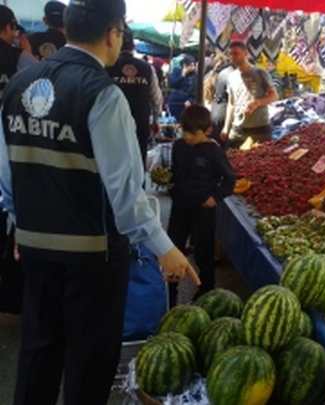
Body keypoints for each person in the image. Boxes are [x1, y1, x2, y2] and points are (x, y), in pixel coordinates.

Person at [0, 0, 200, 403]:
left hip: (37, 249)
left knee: (39, 352)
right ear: (113, 33)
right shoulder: (102, 95)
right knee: (89, 361)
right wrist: (164, 248)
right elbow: (126, 194)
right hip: (94, 257)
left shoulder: (18, 87)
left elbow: (7, 177)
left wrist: (20, 223)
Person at [168, 105, 235, 307]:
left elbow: (229, 180)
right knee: (173, 248)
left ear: (206, 131)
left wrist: (215, 197)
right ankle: (169, 291)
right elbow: (175, 172)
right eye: (184, 132)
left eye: (192, 134)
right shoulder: (178, 146)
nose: (187, 137)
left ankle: (206, 291)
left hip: (203, 211)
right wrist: (169, 182)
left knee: (203, 252)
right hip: (180, 207)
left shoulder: (214, 151)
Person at [107, 27, 163, 166]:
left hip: (113, 122)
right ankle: (138, 187)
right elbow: (156, 98)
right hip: (140, 122)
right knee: (138, 161)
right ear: (133, 46)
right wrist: (156, 120)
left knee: (115, 164)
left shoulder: (107, 67)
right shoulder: (146, 67)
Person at [222, 41, 278, 148]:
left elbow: (274, 96)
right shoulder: (231, 76)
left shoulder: (260, 73)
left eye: (236, 53)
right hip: (238, 128)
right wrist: (226, 127)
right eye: (231, 54)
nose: (232, 57)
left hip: (260, 127)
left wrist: (257, 103)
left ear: (245, 53)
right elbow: (231, 104)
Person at [0, 6, 37, 101]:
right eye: (15, 29)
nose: (15, 35)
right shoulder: (19, 55)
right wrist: (27, 53)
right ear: (8, 27)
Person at [167, 54, 198, 120]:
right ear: (185, 65)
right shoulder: (176, 71)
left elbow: (196, 90)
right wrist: (182, 75)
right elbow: (172, 84)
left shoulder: (195, 76)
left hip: (187, 104)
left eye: (194, 65)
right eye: (191, 65)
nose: (193, 68)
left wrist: (190, 100)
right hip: (174, 103)